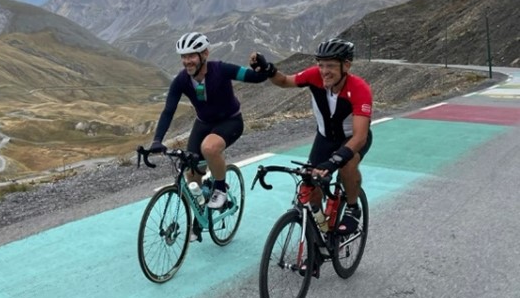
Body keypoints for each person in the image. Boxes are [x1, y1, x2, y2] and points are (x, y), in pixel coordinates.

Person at [250, 38, 372, 239]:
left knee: (347, 165)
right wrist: (268, 69)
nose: (324, 71)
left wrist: (335, 160)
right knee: (309, 188)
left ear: (346, 65)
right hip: (325, 138)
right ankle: (318, 241)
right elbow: (284, 81)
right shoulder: (315, 76)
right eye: (321, 65)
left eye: (331, 66)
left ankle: (352, 208)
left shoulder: (359, 89)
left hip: (351, 140)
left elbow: (360, 136)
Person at [149, 31, 269, 219]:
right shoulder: (181, 80)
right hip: (203, 124)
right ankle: (198, 220)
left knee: (209, 148)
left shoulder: (221, 69)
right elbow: (168, 111)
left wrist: (264, 66)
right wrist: (157, 140)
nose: (187, 61)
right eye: (183, 56)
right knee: (192, 177)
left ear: (204, 54)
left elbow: (256, 77)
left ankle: (220, 189)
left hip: (230, 121)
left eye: (191, 56)